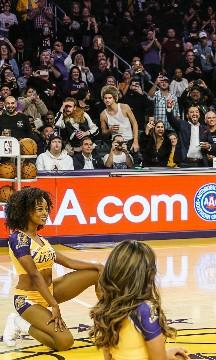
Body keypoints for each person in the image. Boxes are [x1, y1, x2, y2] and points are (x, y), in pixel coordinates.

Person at [2, 187, 102, 350]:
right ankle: (18, 323)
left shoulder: (41, 239)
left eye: (46, 209)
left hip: (49, 290)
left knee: (96, 274)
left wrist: (98, 266)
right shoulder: (18, 238)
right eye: (39, 209)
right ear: (25, 211)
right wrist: (54, 305)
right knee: (64, 342)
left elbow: (68, 262)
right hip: (28, 299)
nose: (45, 213)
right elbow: (34, 274)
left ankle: (105, 320)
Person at [90, 240, 188, 360]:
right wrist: (167, 355)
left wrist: (166, 353)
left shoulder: (106, 305)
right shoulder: (145, 309)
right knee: (180, 358)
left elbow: (108, 357)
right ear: (148, 274)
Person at [99, 85, 140, 154]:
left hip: (129, 140)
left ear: (114, 98)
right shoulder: (103, 114)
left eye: (109, 98)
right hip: (115, 143)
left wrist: (135, 141)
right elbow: (103, 132)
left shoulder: (124, 107)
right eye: (105, 98)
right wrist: (110, 130)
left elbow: (134, 123)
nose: (107, 100)